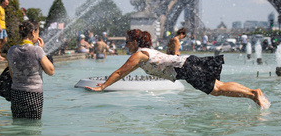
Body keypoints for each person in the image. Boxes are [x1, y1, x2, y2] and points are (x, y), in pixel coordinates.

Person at [85, 29, 270, 109]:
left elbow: (120, 72)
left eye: (127, 42)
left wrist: (102, 87)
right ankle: (253, 92)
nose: (126, 45)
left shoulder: (139, 54)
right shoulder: (147, 51)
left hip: (185, 68)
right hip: (187, 62)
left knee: (217, 90)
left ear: (134, 42)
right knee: (218, 86)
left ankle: (253, 94)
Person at [7, 21, 54, 119]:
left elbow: (12, 74)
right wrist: (42, 50)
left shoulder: (12, 50)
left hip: (16, 94)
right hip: (33, 95)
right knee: (33, 127)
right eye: (37, 33)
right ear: (33, 33)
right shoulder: (37, 50)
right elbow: (50, 71)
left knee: (18, 125)